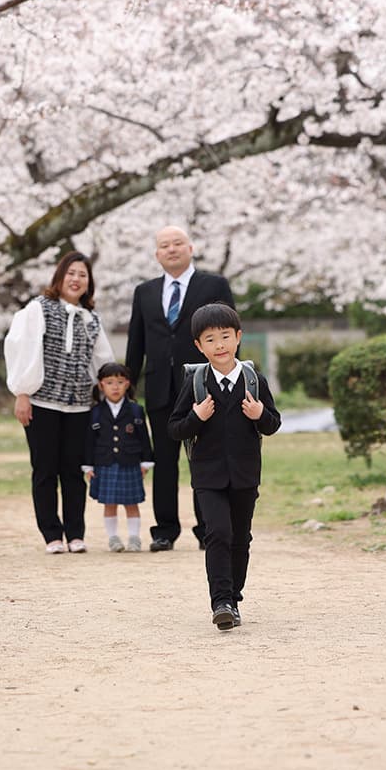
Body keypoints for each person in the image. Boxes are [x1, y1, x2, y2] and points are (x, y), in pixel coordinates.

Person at [168, 303, 281, 630]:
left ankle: (234, 594)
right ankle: (221, 602)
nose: (219, 345)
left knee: (240, 538)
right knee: (217, 532)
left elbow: (272, 425)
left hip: (245, 474)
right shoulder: (196, 382)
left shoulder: (253, 380)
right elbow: (175, 429)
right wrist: (196, 417)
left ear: (238, 338)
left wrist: (259, 414)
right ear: (199, 346)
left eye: (225, 336)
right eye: (210, 339)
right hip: (208, 475)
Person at [125, 225, 235, 551]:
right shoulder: (144, 291)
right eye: (164, 245)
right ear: (157, 254)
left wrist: (229, 378)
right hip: (159, 387)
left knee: (205, 458)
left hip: (203, 386)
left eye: (177, 243)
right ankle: (165, 530)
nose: (171, 249)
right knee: (164, 460)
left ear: (191, 248)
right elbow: (136, 342)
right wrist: (128, 384)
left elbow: (228, 333)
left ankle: (207, 529)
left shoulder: (214, 285)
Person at [4, 251, 114, 554]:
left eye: (83, 274)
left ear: (89, 282)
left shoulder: (92, 319)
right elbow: (20, 349)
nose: (76, 279)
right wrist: (21, 393)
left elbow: (103, 362)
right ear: (60, 276)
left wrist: (109, 396)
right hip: (42, 404)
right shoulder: (39, 309)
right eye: (71, 273)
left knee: (74, 471)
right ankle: (52, 535)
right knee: (44, 469)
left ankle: (75, 533)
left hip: (79, 406)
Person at [82, 362, 154, 553]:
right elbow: (89, 441)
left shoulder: (136, 410)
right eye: (110, 382)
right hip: (104, 463)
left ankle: (134, 538)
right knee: (109, 503)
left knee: (132, 503)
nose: (115, 387)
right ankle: (113, 538)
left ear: (128, 384)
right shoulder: (95, 412)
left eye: (120, 382)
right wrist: (88, 466)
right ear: (101, 385)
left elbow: (144, 438)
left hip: (130, 463)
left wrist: (146, 462)